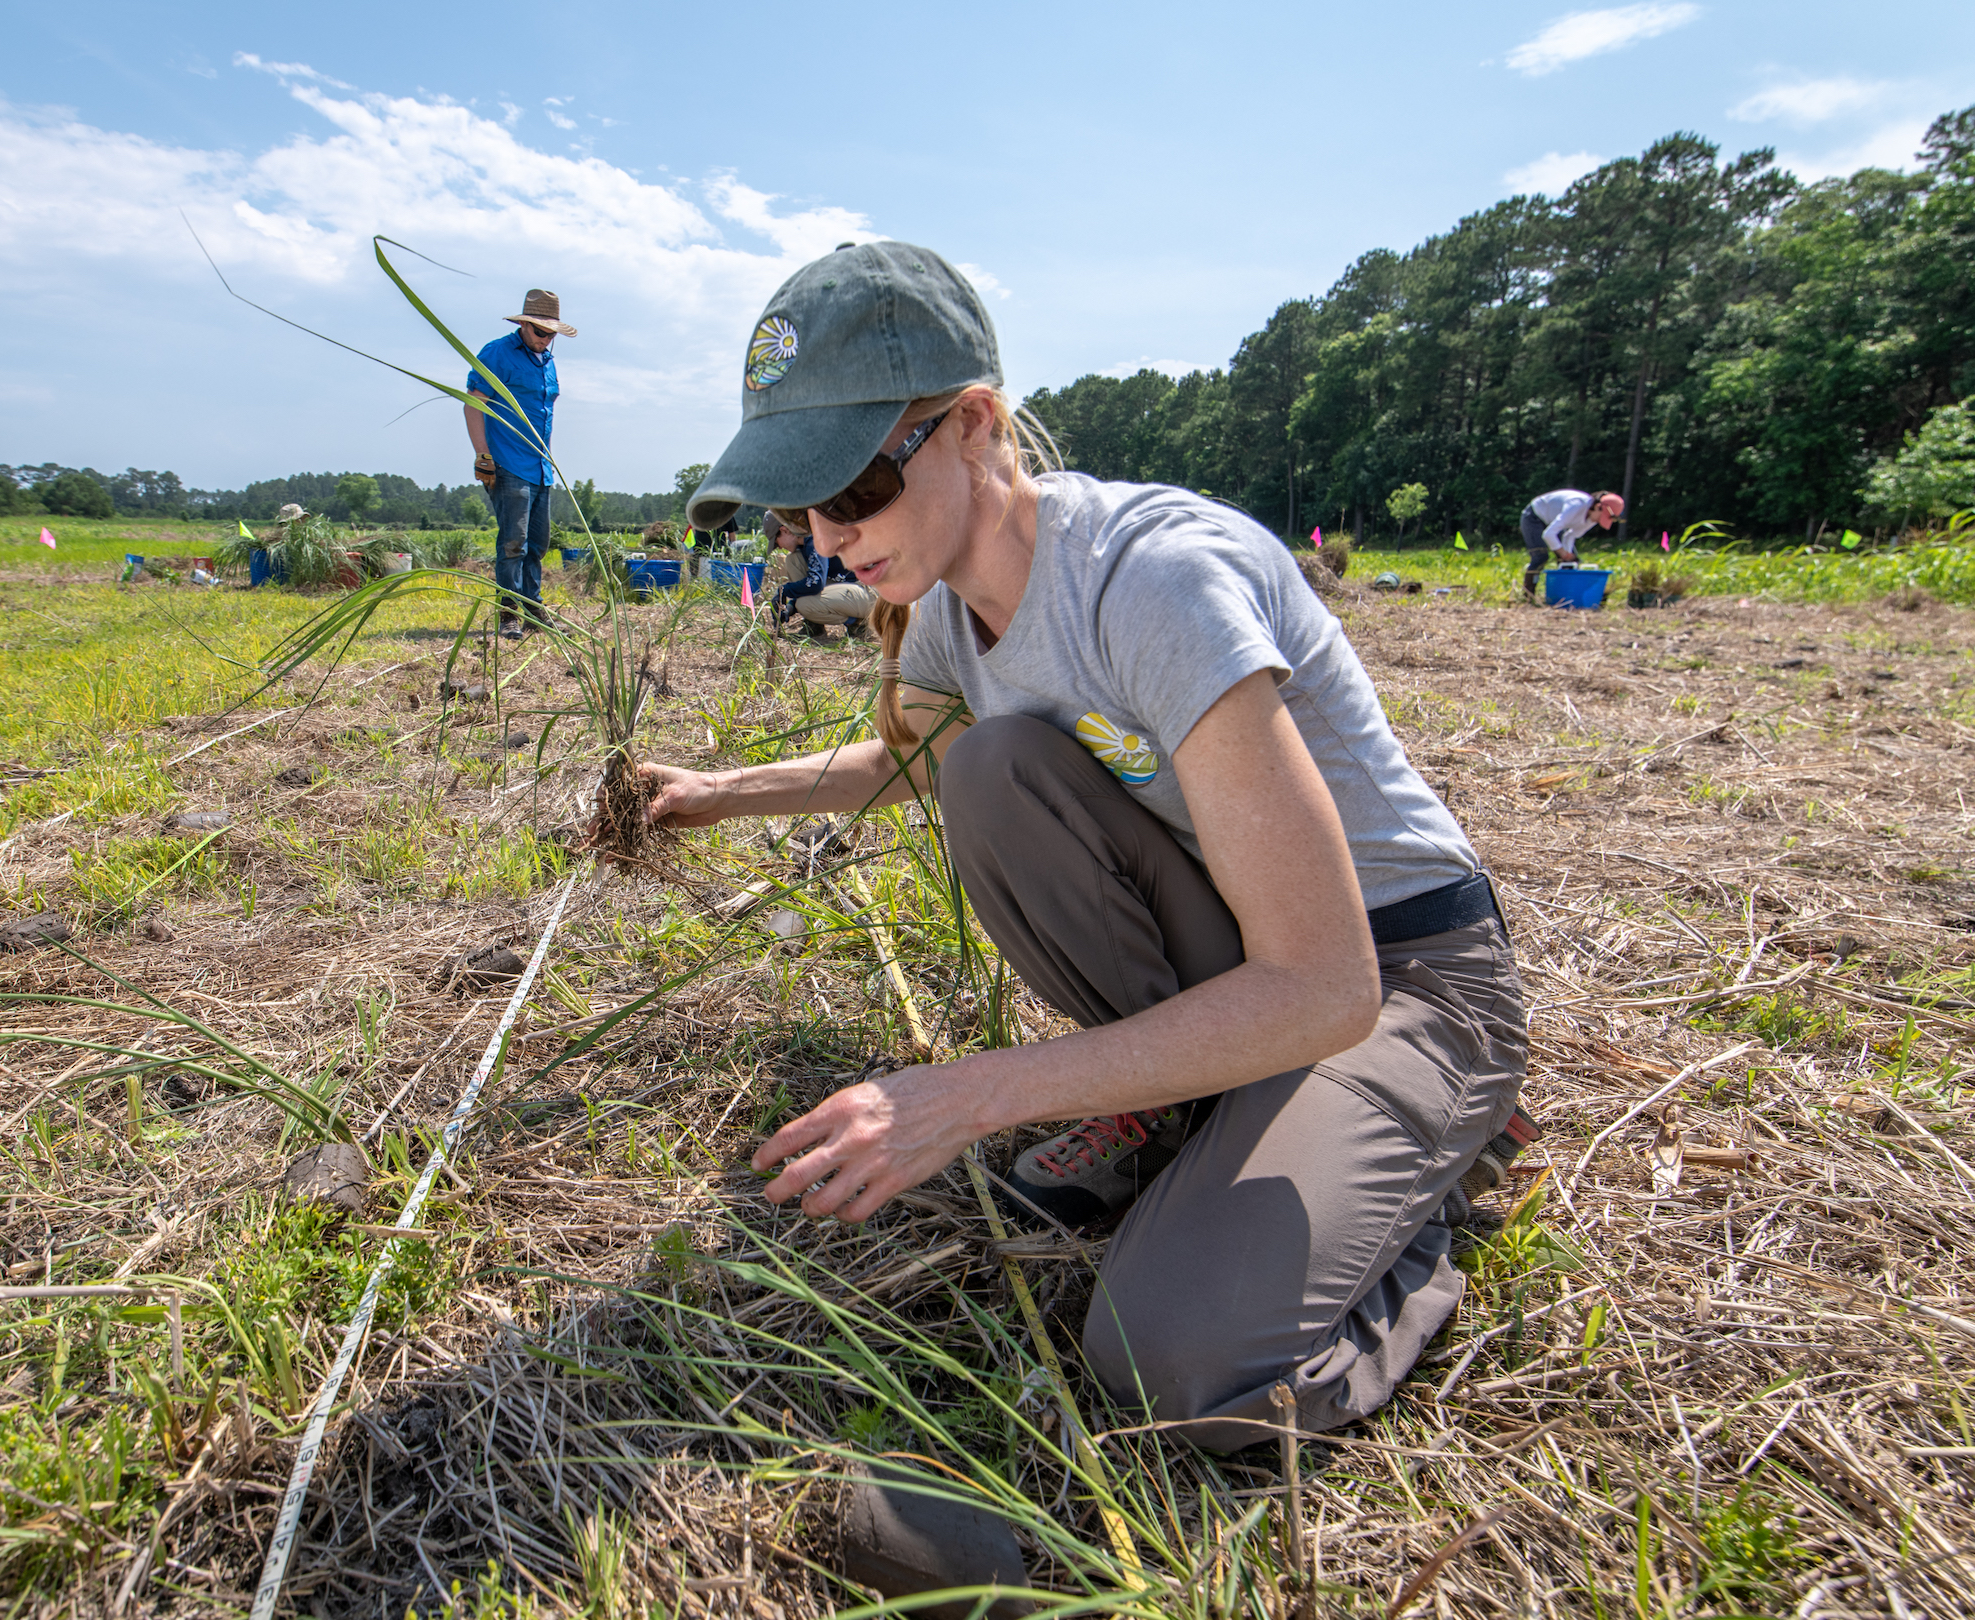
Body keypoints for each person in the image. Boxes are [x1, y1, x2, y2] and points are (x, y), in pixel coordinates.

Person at [647, 241, 1531, 1458]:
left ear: (972, 425)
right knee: (993, 770)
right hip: (1249, 948)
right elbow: (910, 763)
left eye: (851, 490)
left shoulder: (1154, 584)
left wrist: (968, 1094)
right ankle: (1202, 1106)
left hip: (1393, 974)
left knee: (1179, 1364)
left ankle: (1422, 1183)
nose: (825, 536)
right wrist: (711, 792)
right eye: (796, 508)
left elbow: (1326, 984)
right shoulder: (951, 614)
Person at [467, 290, 574, 639]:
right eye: (540, 332)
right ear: (524, 324)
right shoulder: (497, 353)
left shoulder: (547, 362)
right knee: (514, 541)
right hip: (508, 463)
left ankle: (534, 611)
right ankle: (508, 612)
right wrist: (483, 454)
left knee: (537, 544)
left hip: (541, 465)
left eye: (551, 334)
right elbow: (474, 404)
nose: (546, 339)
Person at [765, 508, 873, 638]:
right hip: (848, 588)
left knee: (805, 605)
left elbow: (816, 583)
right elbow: (813, 582)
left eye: (777, 543)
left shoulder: (815, 539)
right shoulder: (805, 545)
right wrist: (791, 606)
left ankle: (858, 623)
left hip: (867, 591)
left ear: (784, 530)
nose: (780, 547)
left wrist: (783, 590)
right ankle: (814, 625)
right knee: (793, 560)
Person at [1519, 488, 1621, 599]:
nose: (1599, 522)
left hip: (1555, 523)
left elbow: (1570, 536)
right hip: (1534, 516)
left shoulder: (1592, 518)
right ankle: (1528, 596)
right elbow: (1548, 534)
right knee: (1540, 557)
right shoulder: (1576, 505)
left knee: (1571, 562)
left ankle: (1565, 596)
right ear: (1597, 507)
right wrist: (1563, 553)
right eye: (1601, 518)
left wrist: (1567, 556)